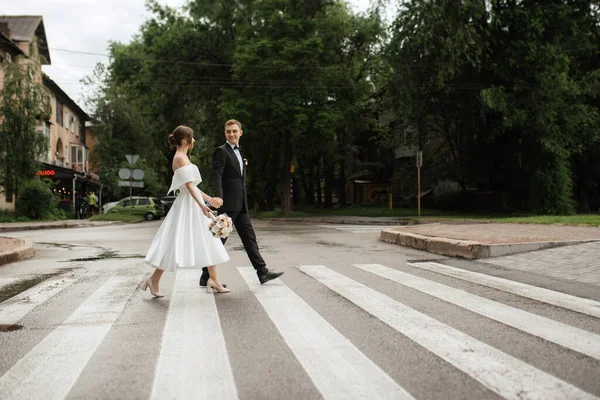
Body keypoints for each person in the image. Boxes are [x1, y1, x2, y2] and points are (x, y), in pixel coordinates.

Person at [144, 125, 230, 297]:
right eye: (192, 137)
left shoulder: (183, 157)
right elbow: (189, 188)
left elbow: (193, 187)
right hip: (187, 206)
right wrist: (202, 205)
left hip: (192, 202)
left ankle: (214, 279)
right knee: (173, 243)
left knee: (208, 239)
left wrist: (208, 199)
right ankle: (154, 279)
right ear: (185, 140)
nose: (194, 140)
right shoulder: (180, 158)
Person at [199, 119, 283, 287]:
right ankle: (205, 275)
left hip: (240, 203)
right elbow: (216, 174)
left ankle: (262, 272)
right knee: (218, 240)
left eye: (234, 131)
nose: (231, 134)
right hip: (228, 203)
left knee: (249, 238)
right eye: (228, 131)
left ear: (240, 132)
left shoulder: (239, 152)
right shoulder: (221, 151)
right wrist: (218, 196)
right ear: (225, 133)